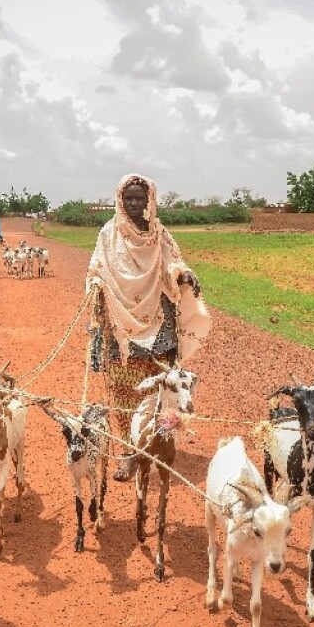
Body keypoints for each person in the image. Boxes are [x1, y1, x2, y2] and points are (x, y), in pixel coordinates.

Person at [85, 174, 211, 480]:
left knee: (163, 390)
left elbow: (173, 262)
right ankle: (128, 453)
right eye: (128, 198)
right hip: (120, 324)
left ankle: (160, 444)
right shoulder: (108, 233)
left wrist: (183, 274)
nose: (133, 203)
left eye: (140, 198)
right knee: (124, 393)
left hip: (158, 321)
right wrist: (96, 286)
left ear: (150, 199)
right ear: (120, 199)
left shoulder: (159, 234)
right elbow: (96, 269)